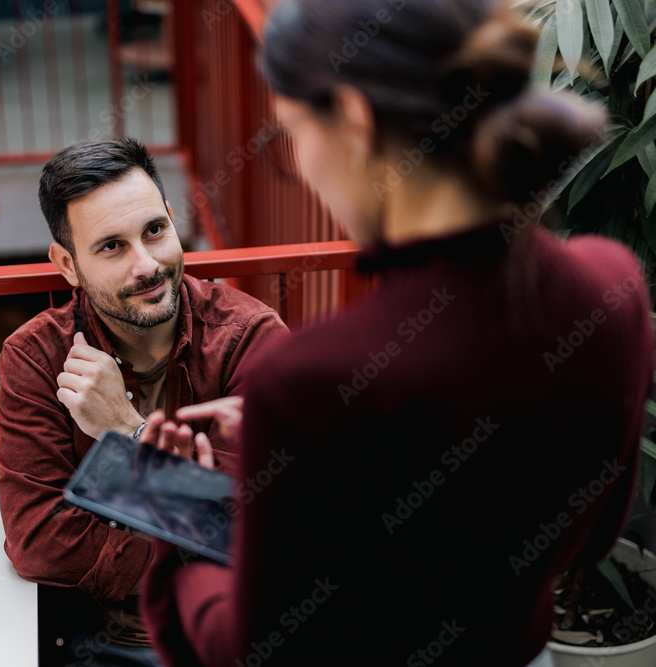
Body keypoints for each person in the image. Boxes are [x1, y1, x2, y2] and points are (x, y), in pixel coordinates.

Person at [137, 1, 655, 665]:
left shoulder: (309, 384)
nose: (301, 163)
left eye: (293, 132)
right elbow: (587, 533)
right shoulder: (613, 287)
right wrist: (314, 444)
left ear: (353, 118)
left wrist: (181, 526)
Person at [0, 137, 288, 665]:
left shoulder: (251, 338)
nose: (147, 265)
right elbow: (37, 538)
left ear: (173, 219)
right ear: (66, 263)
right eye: (111, 246)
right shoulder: (35, 359)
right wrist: (200, 538)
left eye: (155, 230)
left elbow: (276, 521)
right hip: (91, 640)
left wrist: (127, 431)